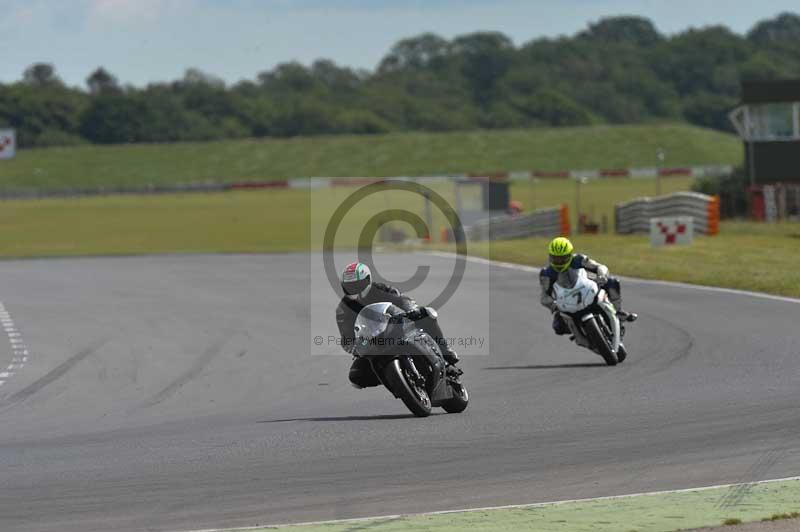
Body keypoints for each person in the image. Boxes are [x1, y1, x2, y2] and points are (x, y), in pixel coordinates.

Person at [335, 262, 459, 389]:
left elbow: (403, 300)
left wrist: (412, 310)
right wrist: (354, 347)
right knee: (356, 377)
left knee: (426, 314)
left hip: (396, 327)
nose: (353, 290)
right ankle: (395, 379)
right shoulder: (343, 309)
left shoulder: (380, 289)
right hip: (373, 343)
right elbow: (346, 337)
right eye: (348, 286)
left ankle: (446, 354)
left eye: (356, 285)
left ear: (368, 280)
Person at [539, 237, 637, 336]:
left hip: (586, 288)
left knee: (612, 282)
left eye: (562, 258)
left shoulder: (579, 259)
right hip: (566, 301)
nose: (559, 262)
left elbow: (600, 266)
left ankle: (618, 312)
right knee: (558, 328)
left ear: (569, 255)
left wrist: (601, 276)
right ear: (550, 256)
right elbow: (544, 296)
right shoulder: (547, 273)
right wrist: (553, 305)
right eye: (555, 258)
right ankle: (578, 334)